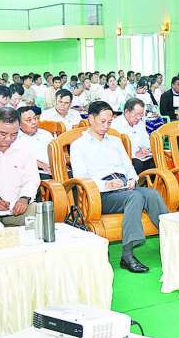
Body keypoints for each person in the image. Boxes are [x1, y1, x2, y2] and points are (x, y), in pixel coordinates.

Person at [69, 101, 169, 273]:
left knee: (151, 194)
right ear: (91, 119)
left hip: (123, 186)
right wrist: (105, 184)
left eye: (109, 122)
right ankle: (127, 255)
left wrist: (132, 179)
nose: (106, 126)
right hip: (98, 194)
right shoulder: (79, 145)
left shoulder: (115, 141)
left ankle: (172, 239)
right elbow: (81, 177)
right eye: (102, 121)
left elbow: (129, 167)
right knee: (135, 197)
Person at [111, 98, 156, 174]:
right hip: (126, 159)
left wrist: (146, 149)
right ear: (126, 111)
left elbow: (145, 140)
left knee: (157, 161)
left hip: (142, 156)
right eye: (136, 114)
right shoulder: (115, 126)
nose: (138, 118)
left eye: (141, 115)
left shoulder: (140, 123)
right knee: (137, 165)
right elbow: (115, 150)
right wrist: (134, 154)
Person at [16, 106, 56, 179]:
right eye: (29, 120)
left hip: (55, 169)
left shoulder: (46, 134)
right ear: (19, 124)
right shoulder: (15, 139)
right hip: (34, 173)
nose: (34, 122)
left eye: (35, 118)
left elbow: (56, 151)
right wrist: (40, 165)